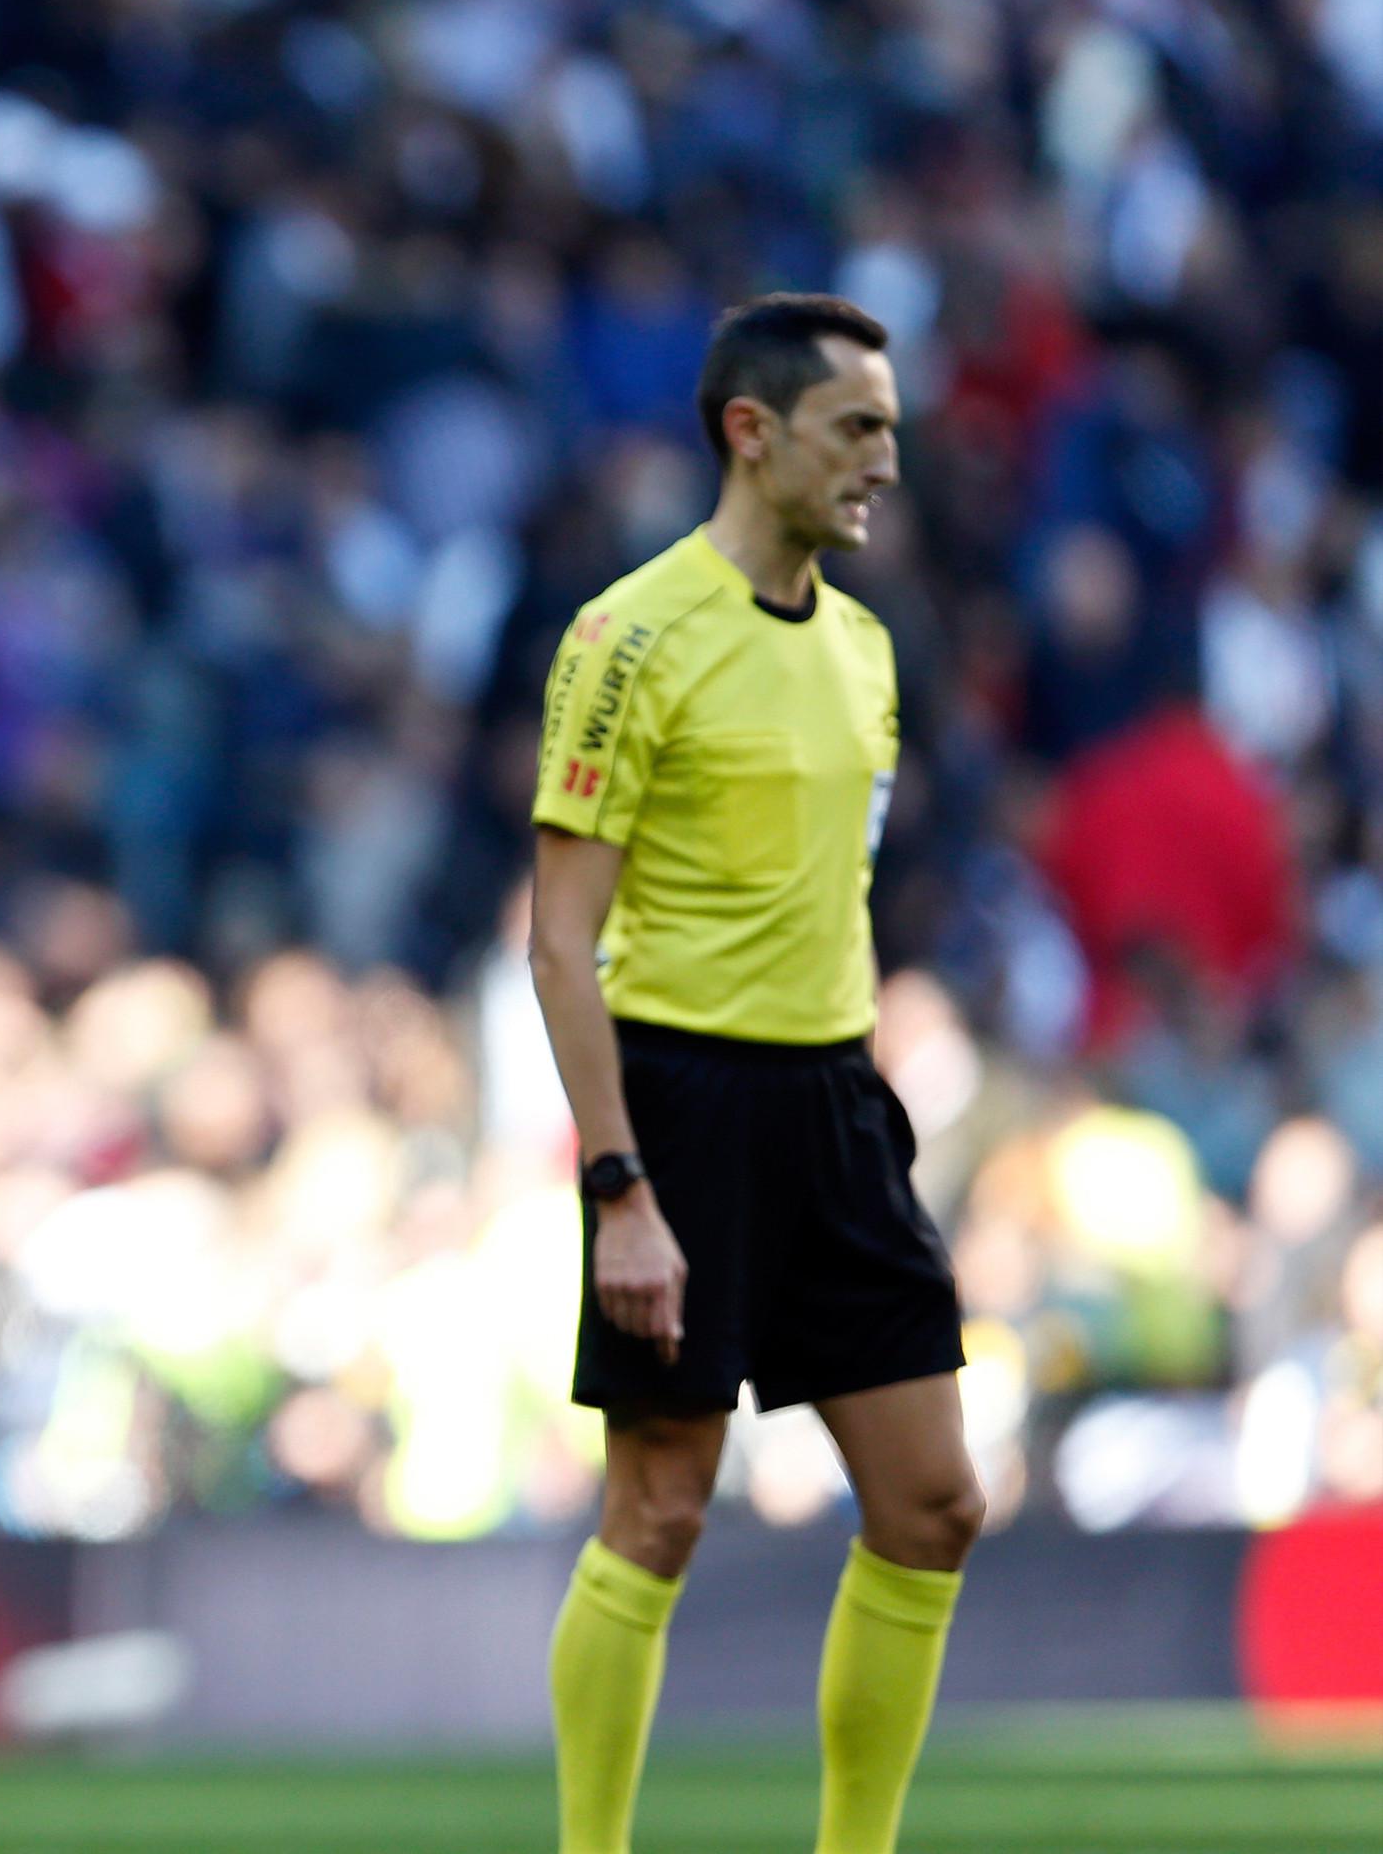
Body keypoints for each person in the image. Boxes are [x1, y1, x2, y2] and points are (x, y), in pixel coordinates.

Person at [527, 294, 984, 1854]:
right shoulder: (629, 635)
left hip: (836, 1101)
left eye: (891, 433)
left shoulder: (865, 648)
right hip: (682, 1105)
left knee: (935, 1505)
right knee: (661, 1508)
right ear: (752, 431)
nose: (884, 464)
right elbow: (559, 943)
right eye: (857, 429)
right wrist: (620, 1187)